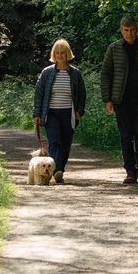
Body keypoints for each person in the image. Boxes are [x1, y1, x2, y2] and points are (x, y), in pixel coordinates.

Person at [101, 15, 138, 184]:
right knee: (126, 136)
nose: (130, 33)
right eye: (126, 30)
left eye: (132, 30)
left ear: (137, 29)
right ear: (121, 31)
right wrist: (108, 99)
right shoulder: (114, 48)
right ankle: (130, 171)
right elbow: (105, 74)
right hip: (121, 100)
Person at [32, 39, 87, 184]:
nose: (60, 55)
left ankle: (60, 169)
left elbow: (82, 94)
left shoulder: (75, 73)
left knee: (66, 143)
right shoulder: (47, 73)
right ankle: (56, 171)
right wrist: (37, 113)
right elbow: (39, 93)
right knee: (55, 141)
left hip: (69, 113)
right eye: (57, 53)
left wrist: (79, 111)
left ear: (67, 54)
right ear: (53, 54)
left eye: (62, 53)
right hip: (51, 113)